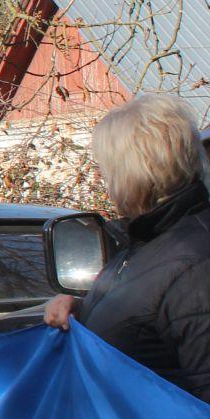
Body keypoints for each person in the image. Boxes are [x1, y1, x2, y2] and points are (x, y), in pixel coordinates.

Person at [44, 93, 210, 400]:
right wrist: (81, 312)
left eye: (107, 169)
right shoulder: (144, 242)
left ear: (132, 172)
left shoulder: (195, 262)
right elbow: (147, 322)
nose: (105, 181)